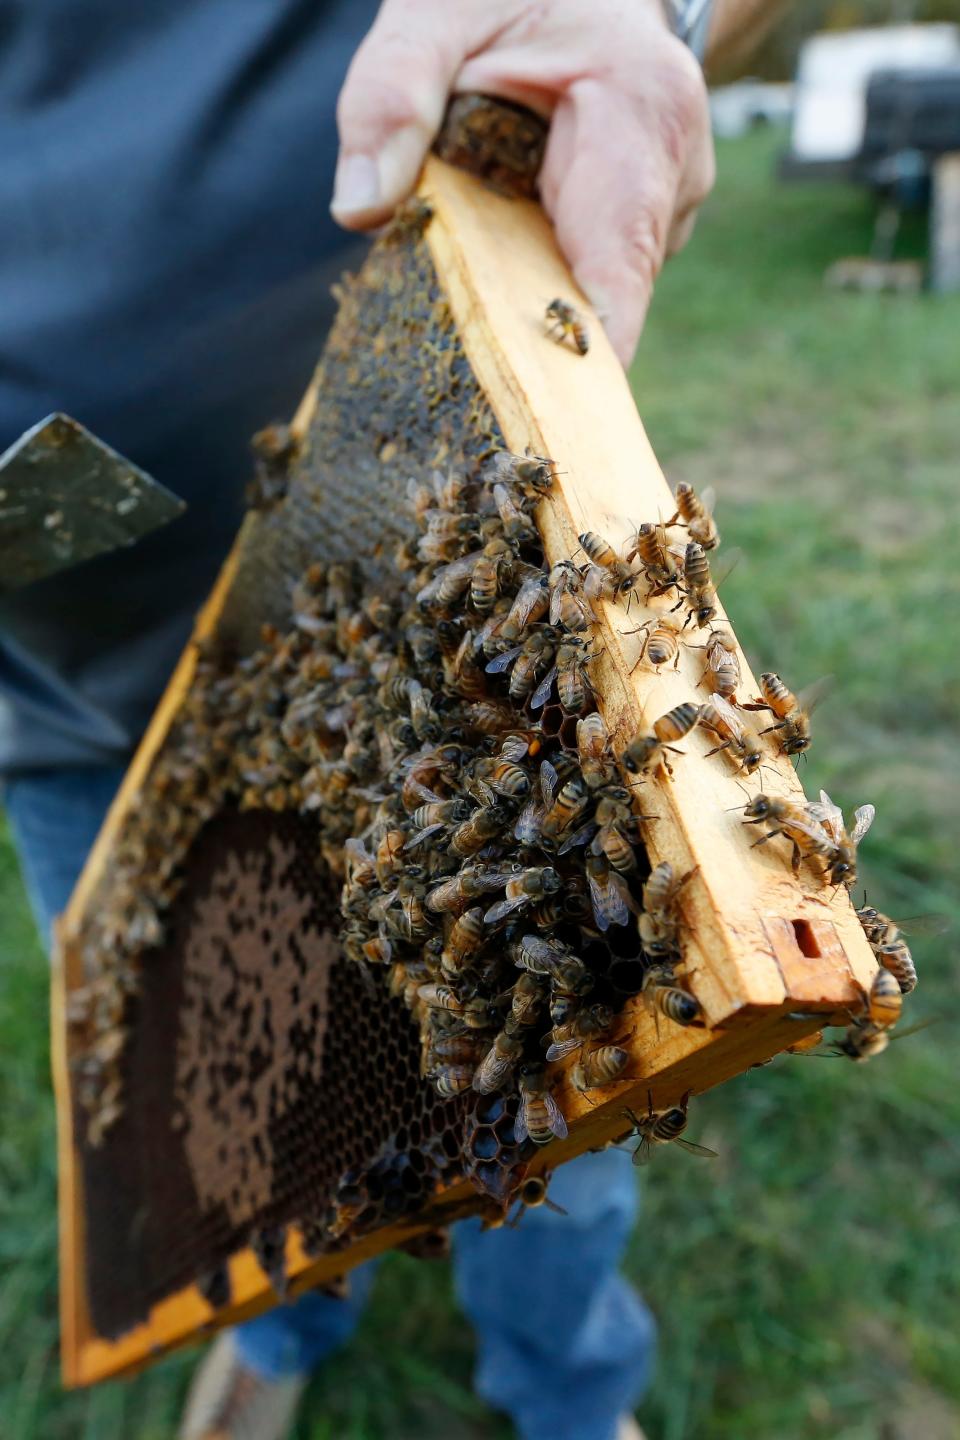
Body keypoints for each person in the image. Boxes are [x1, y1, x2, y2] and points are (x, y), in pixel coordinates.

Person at [0, 2, 777, 1437]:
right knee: (218, 1113)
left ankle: (569, 1388)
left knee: (552, 1079)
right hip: (69, 701)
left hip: (430, 616)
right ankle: (279, 1325)